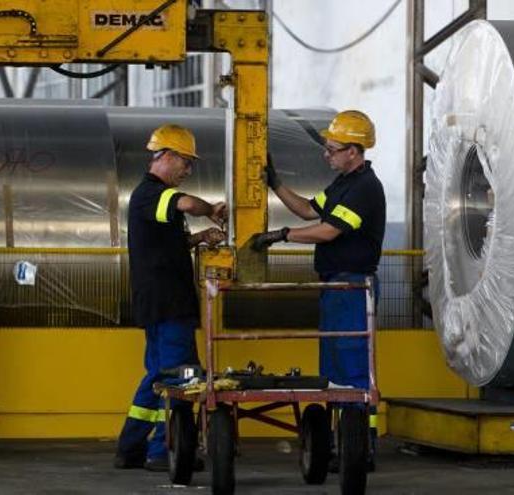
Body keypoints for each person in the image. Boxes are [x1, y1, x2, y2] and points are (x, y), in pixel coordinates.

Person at [251, 110, 385, 470]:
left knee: (354, 369)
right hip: (334, 285)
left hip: (353, 288)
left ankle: (362, 449)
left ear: (354, 151)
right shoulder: (343, 184)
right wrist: (275, 184)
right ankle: (343, 447)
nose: (327, 155)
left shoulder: (365, 189)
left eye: (332, 149)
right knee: (334, 370)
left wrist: (281, 236)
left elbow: (328, 231)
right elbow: (310, 211)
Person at [114, 124, 227, 472]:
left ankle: (131, 447)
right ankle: (165, 451)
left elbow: (166, 244)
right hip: (167, 303)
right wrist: (211, 210)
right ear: (165, 156)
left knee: (159, 375)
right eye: (185, 162)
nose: (188, 170)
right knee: (181, 376)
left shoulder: (156, 201)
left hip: (161, 302)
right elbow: (188, 203)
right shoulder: (152, 193)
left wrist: (199, 239)